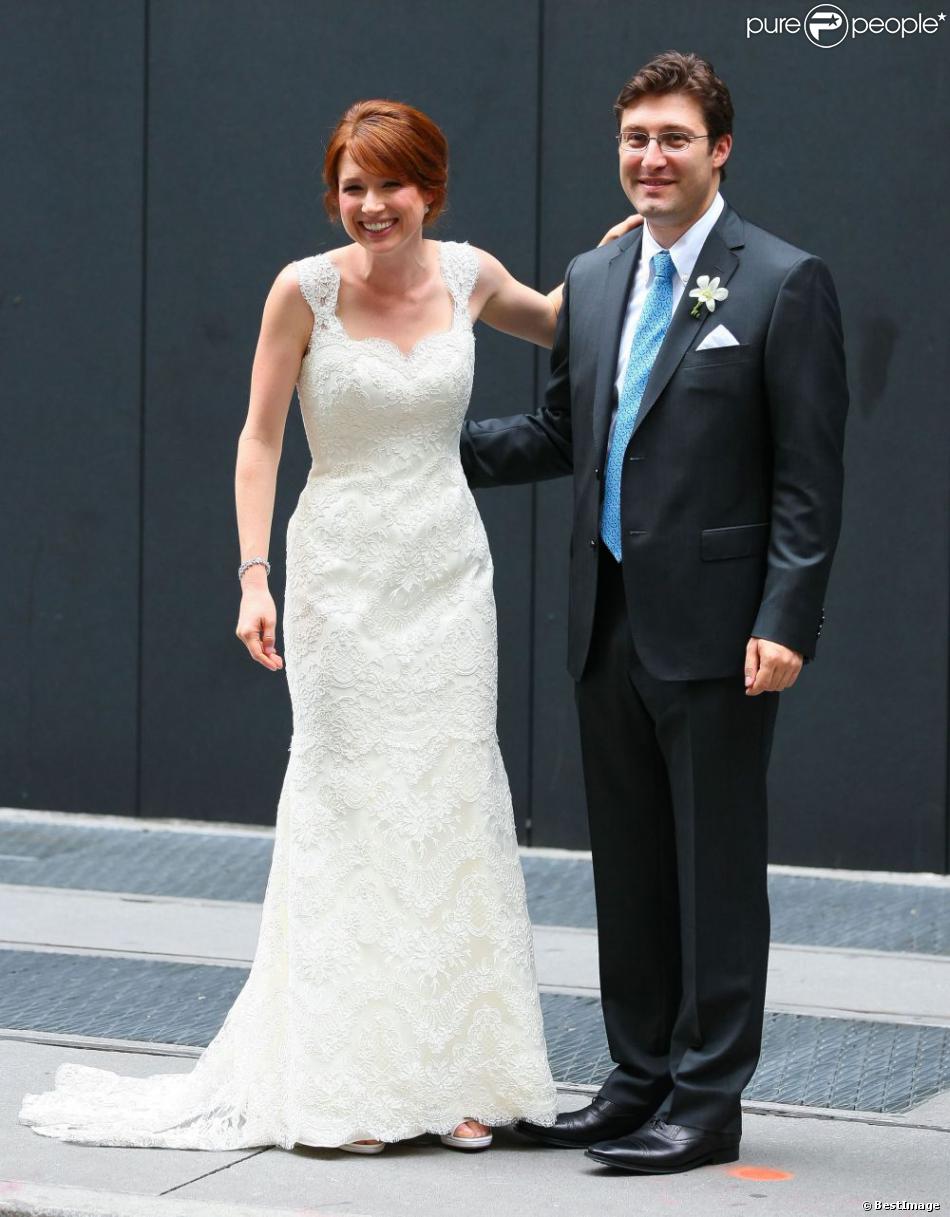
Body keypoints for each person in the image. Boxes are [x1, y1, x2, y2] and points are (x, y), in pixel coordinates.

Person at [19, 99, 637, 1155]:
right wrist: (253, 574)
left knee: (445, 804)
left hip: (446, 574)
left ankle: (456, 1073)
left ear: (426, 189)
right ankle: (346, 1080)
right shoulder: (301, 290)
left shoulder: (469, 274)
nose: (368, 206)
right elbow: (259, 440)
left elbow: (567, 323)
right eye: (351, 187)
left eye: (388, 185)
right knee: (350, 805)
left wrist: (616, 265)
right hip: (341, 577)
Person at [460, 51, 849, 1175]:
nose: (650, 157)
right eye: (635, 139)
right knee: (627, 862)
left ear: (717, 149)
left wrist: (786, 614)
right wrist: (424, 450)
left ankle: (705, 1097)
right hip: (606, 612)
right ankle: (634, 1078)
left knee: (713, 866)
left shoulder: (781, 279)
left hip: (725, 629)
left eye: (673, 138)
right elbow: (558, 432)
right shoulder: (590, 277)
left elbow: (806, 480)